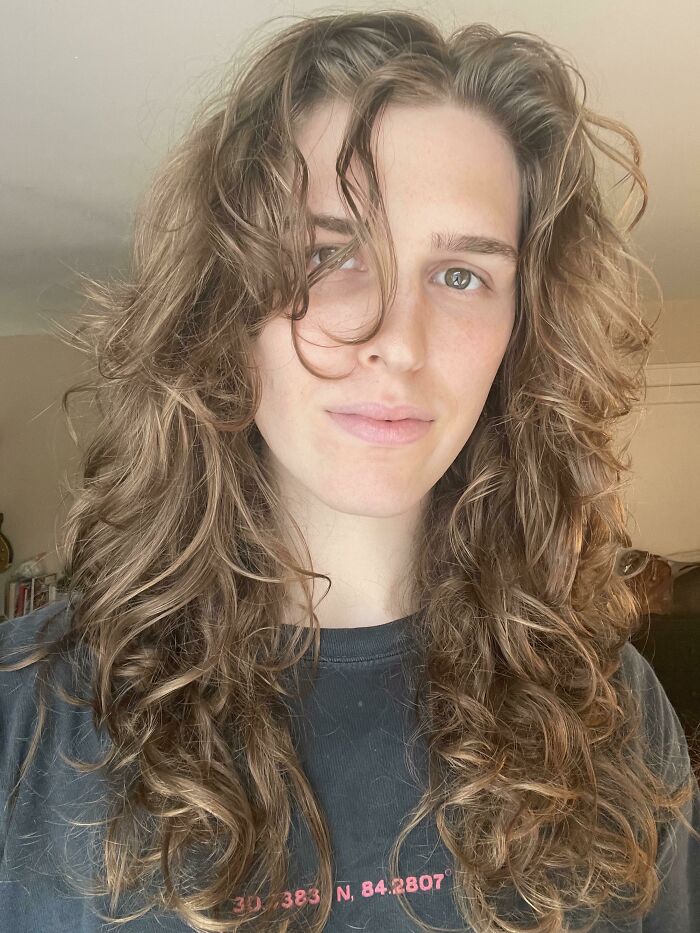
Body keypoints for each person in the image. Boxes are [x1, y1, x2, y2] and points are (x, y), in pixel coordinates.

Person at [1, 10, 698, 933]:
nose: (397, 341)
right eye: (329, 253)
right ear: (224, 300)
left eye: (462, 274)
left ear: (521, 331)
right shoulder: (22, 714)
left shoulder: (612, 705)